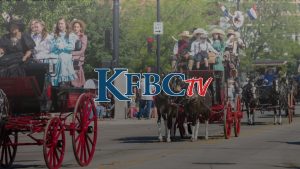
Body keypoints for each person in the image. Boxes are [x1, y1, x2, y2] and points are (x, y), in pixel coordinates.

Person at [49, 18, 77, 87]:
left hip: (66, 53)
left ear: (65, 24)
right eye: (59, 23)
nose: (60, 25)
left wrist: (63, 46)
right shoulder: (54, 35)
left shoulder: (70, 34)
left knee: (61, 58)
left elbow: (71, 47)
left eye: (62, 23)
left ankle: (62, 80)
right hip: (56, 53)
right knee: (50, 58)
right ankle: (51, 80)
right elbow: (51, 47)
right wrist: (56, 46)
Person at [70, 19, 88, 87]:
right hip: (70, 56)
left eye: (77, 27)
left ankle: (78, 83)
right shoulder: (70, 36)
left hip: (79, 56)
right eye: (74, 27)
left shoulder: (83, 37)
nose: (76, 28)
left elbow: (82, 50)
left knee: (75, 63)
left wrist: (71, 53)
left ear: (80, 28)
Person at [211, 28, 226, 104]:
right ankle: (213, 100)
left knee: (219, 84)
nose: (215, 35)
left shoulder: (222, 42)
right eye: (214, 34)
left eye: (217, 34)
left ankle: (219, 100)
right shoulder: (211, 42)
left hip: (219, 62)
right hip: (212, 63)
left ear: (219, 35)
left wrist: (219, 53)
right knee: (213, 84)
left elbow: (223, 49)